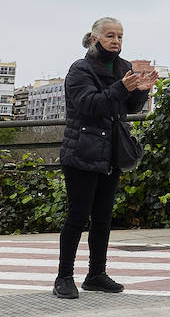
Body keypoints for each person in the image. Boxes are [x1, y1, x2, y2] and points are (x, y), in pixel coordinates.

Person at [54, 18, 156, 299]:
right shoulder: (80, 69)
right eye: (110, 36)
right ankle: (64, 276)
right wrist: (122, 87)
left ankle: (96, 274)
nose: (116, 41)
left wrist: (142, 90)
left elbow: (128, 107)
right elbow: (89, 105)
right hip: (83, 150)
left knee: (103, 218)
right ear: (95, 38)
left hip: (111, 152)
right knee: (77, 216)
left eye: (120, 36)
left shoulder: (124, 67)